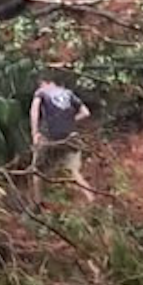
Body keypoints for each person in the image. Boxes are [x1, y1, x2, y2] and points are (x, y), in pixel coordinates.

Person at [29, 75, 94, 205]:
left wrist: (35, 133)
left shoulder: (41, 93)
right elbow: (86, 112)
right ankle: (91, 199)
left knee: (36, 172)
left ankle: (37, 205)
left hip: (49, 137)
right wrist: (70, 121)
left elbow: (34, 112)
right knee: (73, 172)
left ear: (44, 82)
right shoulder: (69, 93)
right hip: (70, 136)